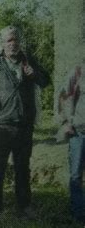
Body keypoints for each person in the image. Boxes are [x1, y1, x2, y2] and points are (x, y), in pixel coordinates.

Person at [0, 25, 50, 218]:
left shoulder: (28, 59)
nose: (13, 44)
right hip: (1, 126)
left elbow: (46, 81)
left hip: (24, 125)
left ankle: (24, 206)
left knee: (23, 167)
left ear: (20, 42)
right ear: (3, 43)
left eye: (16, 40)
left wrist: (33, 75)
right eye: (9, 41)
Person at [56, 63, 85, 223]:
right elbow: (63, 95)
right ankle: (79, 214)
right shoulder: (78, 71)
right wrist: (67, 122)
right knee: (76, 175)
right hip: (79, 133)